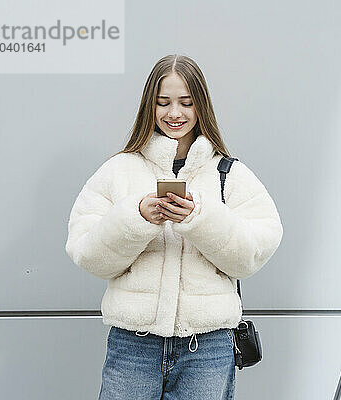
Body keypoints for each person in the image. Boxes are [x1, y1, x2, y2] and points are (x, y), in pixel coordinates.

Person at [65, 54, 283, 400]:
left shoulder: (229, 174)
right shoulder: (118, 170)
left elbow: (252, 255)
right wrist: (136, 217)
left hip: (208, 349)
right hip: (133, 346)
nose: (174, 113)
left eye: (186, 102)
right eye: (163, 102)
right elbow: (87, 252)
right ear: (149, 106)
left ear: (201, 106)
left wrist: (199, 218)